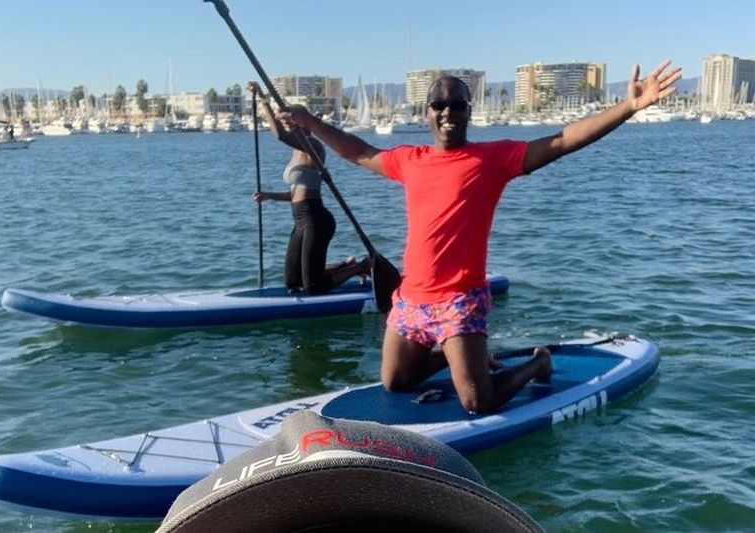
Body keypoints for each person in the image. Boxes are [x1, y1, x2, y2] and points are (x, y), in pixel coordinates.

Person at [279, 61, 682, 414]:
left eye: (457, 105)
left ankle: (536, 365)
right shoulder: (410, 161)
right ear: (427, 113)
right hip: (412, 299)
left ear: (469, 111)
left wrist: (628, 106)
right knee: (395, 382)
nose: (448, 112)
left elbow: (562, 141)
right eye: (440, 105)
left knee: (477, 401)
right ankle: (461, 358)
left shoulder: (492, 159)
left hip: (459, 299)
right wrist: (310, 122)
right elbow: (358, 151)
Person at [247, 81, 370, 295]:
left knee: (312, 287)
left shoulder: (313, 146)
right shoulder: (297, 151)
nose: (287, 125)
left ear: (302, 123)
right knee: (293, 283)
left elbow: (279, 135)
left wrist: (264, 101)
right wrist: (269, 196)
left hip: (316, 219)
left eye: (291, 121)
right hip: (300, 220)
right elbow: (296, 194)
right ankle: (346, 265)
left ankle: (362, 267)